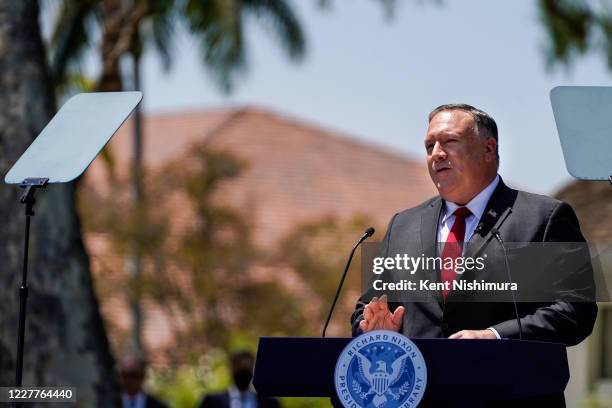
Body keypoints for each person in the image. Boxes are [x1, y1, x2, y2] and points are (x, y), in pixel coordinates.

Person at [351, 104, 597, 345]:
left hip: (506, 382)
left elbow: (575, 310)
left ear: (488, 149)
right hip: (422, 383)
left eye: (450, 141)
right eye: (429, 146)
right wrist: (376, 329)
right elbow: (367, 308)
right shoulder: (403, 226)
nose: (436, 153)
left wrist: (495, 335)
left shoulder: (544, 218)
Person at [199, 350, 280, 408]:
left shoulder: (270, 403)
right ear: (231, 369)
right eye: (239, 368)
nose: (243, 373)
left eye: (247, 368)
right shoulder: (212, 401)